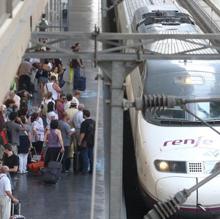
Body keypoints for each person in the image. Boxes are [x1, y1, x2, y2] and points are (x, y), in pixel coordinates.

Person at [78, 110, 95, 174]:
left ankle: (84, 170)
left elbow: (83, 134)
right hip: (92, 141)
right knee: (91, 156)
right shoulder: (93, 122)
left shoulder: (84, 123)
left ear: (84, 115)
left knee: (84, 155)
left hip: (85, 142)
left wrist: (79, 141)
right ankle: (92, 170)